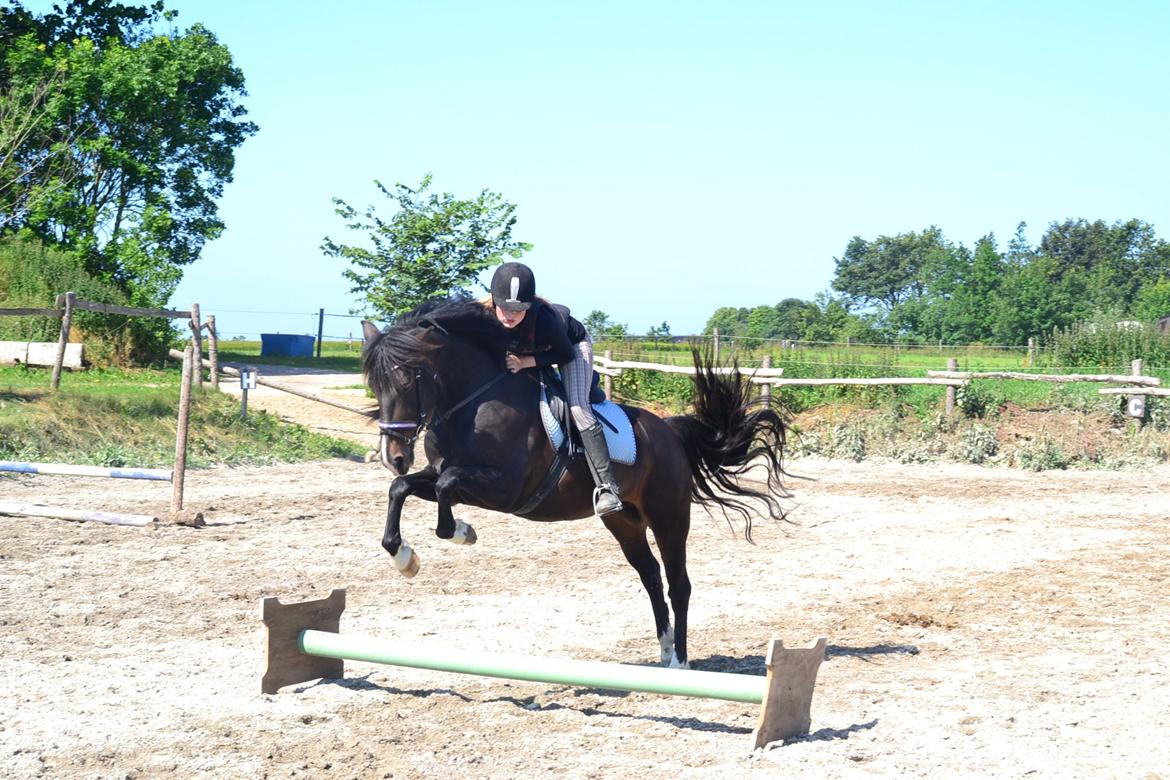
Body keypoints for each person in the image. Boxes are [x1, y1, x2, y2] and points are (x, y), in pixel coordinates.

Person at [488, 261, 622, 517]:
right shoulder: (485, 315)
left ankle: (607, 487)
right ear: (494, 301)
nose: (510, 315)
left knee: (578, 408)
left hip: (570, 348)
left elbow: (563, 353)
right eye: (505, 307)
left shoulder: (546, 320)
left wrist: (526, 362)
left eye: (519, 309)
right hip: (532, 350)